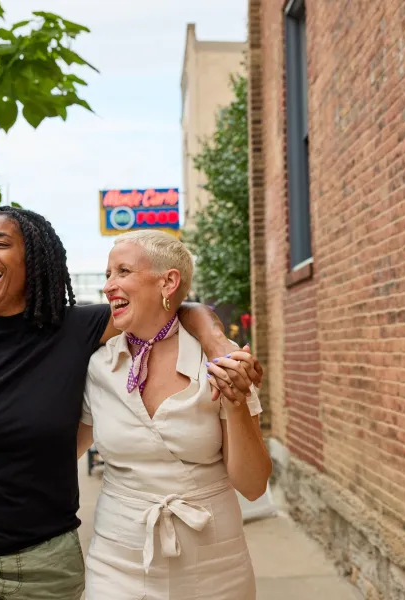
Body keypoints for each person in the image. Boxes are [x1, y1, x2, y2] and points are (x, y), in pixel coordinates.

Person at [0, 207, 262, 600]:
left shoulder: (75, 329)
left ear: (35, 259)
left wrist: (216, 345)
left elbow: (172, 308)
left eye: (0, 243)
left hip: (50, 562)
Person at [76, 231, 272, 599]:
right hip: (116, 561)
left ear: (168, 281)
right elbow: (55, 453)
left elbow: (252, 484)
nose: (109, 286)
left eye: (122, 271)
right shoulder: (98, 366)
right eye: (107, 275)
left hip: (215, 566)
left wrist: (235, 402)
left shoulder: (222, 362)